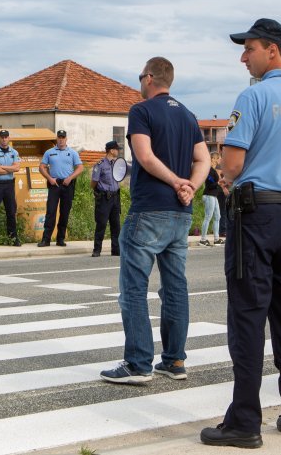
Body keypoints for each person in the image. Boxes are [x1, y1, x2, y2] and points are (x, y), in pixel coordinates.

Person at [200, 19, 281, 449]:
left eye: (249, 48)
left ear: (272, 51)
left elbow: (233, 163)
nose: (243, 57)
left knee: (248, 316)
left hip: (255, 216)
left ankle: (244, 422)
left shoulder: (254, 96)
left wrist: (236, 174)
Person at [100, 56, 210, 385]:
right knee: (175, 288)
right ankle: (174, 360)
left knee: (133, 291)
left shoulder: (141, 110)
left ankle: (138, 364)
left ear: (150, 78)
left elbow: (145, 157)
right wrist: (190, 186)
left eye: (139, 76)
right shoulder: (188, 115)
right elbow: (203, 159)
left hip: (149, 210)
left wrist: (176, 182)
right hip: (180, 213)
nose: (138, 82)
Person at [37, 130, 84, 247]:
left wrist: (70, 178)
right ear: (56, 138)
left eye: (63, 137)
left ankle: (60, 239)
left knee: (65, 212)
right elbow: (42, 167)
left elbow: (80, 167)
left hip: (67, 184)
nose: (61, 139)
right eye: (59, 137)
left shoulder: (72, 152)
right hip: (54, 184)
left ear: (66, 139)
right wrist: (49, 178)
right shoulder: (49, 152)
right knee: (51, 212)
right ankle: (46, 239)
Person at [90, 140, 122, 257]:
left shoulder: (117, 164)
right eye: (117, 149)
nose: (118, 151)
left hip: (115, 197)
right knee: (101, 224)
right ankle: (97, 249)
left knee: (116, 225)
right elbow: (94, 182)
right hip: (104, 198)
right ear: (111, 150)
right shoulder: (100, 164)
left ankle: (116, 250)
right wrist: (98, 192)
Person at [199, 152, 226, 247]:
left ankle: (216, 239)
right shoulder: (208, 170)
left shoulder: (213, 170)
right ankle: (202, 239)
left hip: (213, 196)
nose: (220, 160)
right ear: (214, 159)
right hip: (209, 195)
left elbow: (215, 184)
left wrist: (221, 184)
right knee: (208, 217)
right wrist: (218, 183)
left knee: (217, 216)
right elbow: (210, 184)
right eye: (219, 158)